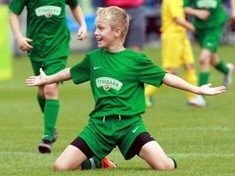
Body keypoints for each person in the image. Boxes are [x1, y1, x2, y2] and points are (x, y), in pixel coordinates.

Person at [25, 6, 226, 172]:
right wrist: (47, 78)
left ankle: (158, 157)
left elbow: (167, 77)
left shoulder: (136, 60)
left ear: (117, 31)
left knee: (164, 166)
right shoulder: (93, 58)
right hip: (99, 127)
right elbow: (70, 72)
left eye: (101, 28)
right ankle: (97, 161)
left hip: (130, 126)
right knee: (60, 167)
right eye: (95, 28)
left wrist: (197, 89)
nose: (95, 33)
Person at [9, 0, 88, 154]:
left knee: (50, 88)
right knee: (42, 91)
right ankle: (51, 128)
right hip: (36, 47)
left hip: (58, 47)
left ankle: (47, 136)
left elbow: (75, 6)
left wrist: (83, 25)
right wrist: (19, 37)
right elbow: (13, 14)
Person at [145, 0, 206, 108]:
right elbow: (177, 19)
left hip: (182, 35)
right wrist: (194, 27)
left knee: (190, 66)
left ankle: (193, 98)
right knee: (170, 71)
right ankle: (145, 94)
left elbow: (183, 10)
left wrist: (196, 12)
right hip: (172, 36)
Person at [183, 0, 235, 104]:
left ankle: (200, 98)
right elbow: (184, 8)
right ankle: (227, 70)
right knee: (212, 59)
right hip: (201, 28)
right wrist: (196, 12)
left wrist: (234, 11)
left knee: (203, 58)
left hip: (215, 26)